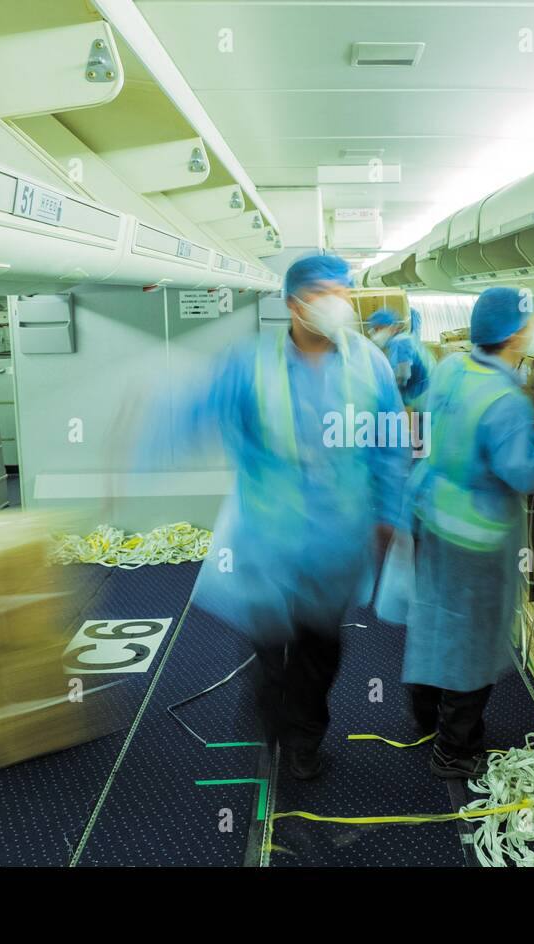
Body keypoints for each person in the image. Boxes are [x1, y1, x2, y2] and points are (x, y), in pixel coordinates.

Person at [142, 254, 410, 781]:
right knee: (270, 652)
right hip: (268, 538)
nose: (337, 302)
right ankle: (273, 728)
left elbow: (389, 442)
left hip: (337, 537)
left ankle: (305, 738)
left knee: (321, 651)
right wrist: (143, 444)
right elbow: (194, 412)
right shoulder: (250, 363)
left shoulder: (368, 365)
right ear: (292, 302)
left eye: (344, 291)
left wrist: (389, 512)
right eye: (322, 292)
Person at [401, 287, 534, 778]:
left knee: (436, 620)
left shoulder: (452, 369)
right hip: (474, 537)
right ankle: (455, 750)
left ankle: (424, 716)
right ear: (515, 333)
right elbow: (526, 474)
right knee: (474, 641)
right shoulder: (505, 401)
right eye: (529, 323)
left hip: (431, 515)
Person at [368, 308, 430, 410]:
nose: (375, 334)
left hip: (420, 398)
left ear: (392, 327)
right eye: (374, 330)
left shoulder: (401, 342)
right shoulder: (399, 341)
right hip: (420, 396)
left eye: (379, 329)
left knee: (417, 424)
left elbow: (403, 374)